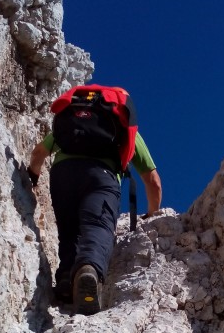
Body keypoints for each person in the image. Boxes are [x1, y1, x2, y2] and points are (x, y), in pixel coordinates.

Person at [27, 103, 162, 315]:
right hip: (102, 176)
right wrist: (153, 213)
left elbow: (39, 153)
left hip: (62, 174)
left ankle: (65, 280)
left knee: (68, 229)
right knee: (97, 226)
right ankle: (87, 271)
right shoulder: (125, 130)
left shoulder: (72, 125)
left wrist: (32, 179)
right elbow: (152, 181)